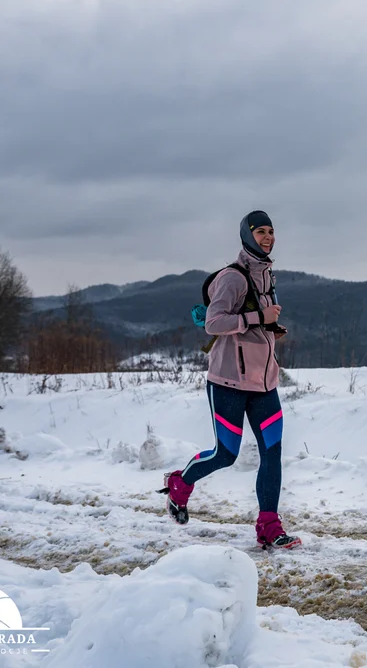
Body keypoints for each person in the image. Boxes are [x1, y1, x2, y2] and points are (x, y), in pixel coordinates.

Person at [159, 210, 300, 550]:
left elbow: (255, 322)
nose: (268, 237)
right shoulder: (232, 279)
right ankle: (180, 483)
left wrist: (270, 327)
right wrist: (257, 317)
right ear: (247, 236)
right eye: (261, 231)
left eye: (271, 231)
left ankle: (269, 525)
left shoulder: (268, 277)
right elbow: (214, 322)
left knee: (273, 453)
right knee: (226, 454)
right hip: (228, 383)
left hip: (264, 384)